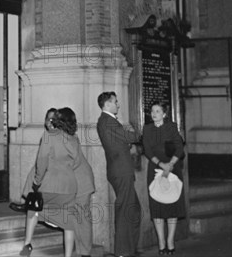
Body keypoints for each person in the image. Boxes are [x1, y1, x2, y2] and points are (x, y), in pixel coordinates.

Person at [19, 107, 81, 257]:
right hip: (70, 187)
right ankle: (67, 255)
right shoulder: (75, 139)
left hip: (50, 184)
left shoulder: (48, 136)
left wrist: (36, 182)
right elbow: (76, 163)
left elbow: (41, 163)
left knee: (33, 208)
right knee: (69, 222)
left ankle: (27, 244)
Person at [97, 91, 141, 257]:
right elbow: (132, 136)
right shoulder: (108, 121)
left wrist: (126, 142)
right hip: (121, 171)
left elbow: (119, 142)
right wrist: (136, 132)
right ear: (107, 104)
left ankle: (129, 248)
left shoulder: (107, 121)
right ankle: (123, 251)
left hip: (120, 169)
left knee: (134, 209)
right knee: (126, 210)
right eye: (115, 101)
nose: (118, 104)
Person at [142, 103, 185, 255]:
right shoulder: (147, 129)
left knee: (172, 205)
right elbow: (147, 150)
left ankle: (170, 240)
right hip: (155, 169)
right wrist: (161, 164)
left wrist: (170, 164)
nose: (154, 114)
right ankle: (161, 242)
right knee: (157, 206)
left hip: (173, 169)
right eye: (152, 111)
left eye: (158, 111)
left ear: (164, 114)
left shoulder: (171, 127)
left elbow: (179, 147)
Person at [9, 108, 57, 213]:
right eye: (48, 119)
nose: (49, 122)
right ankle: (28, 202)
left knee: (37, 171)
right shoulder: (48, 135)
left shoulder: (52, 135)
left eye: (53, 119)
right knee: (35, 170)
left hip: (58, 171)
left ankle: (29, 203)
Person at [71, 108, 95, 257]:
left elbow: (70, 163)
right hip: (78, 183)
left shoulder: (70, 139)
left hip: (82, 184)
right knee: (77, 218)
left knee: (83, 219)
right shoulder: (70, 137)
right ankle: (81, 251)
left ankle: (85, 253)